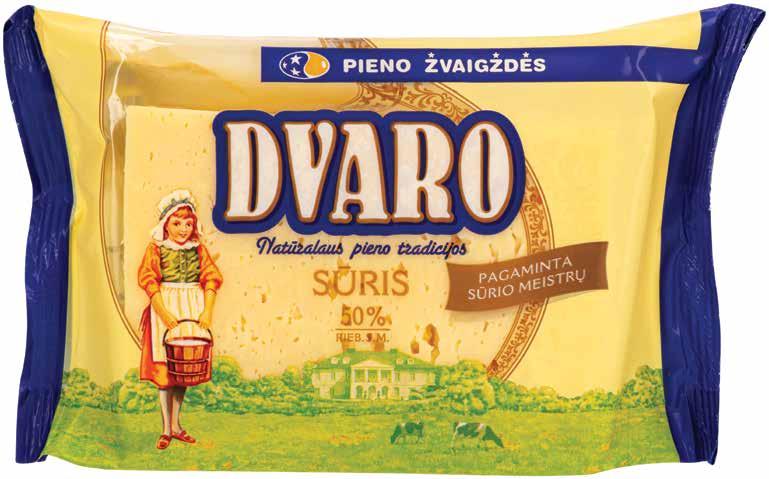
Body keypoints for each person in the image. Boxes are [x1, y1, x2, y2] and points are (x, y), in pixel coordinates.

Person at [137, 190, 222, 450]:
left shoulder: (199, 250)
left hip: (192, 308)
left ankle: (176, 425)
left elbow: (211, 278)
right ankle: (165, 429)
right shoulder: (156, 249)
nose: (183, 229)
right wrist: (163, 312)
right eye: (177, 223)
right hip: (165, 306)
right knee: (166, 372)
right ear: (166, 224)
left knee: (185, 369)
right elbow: (148, 280)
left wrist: (207, 311)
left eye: (188, 224)